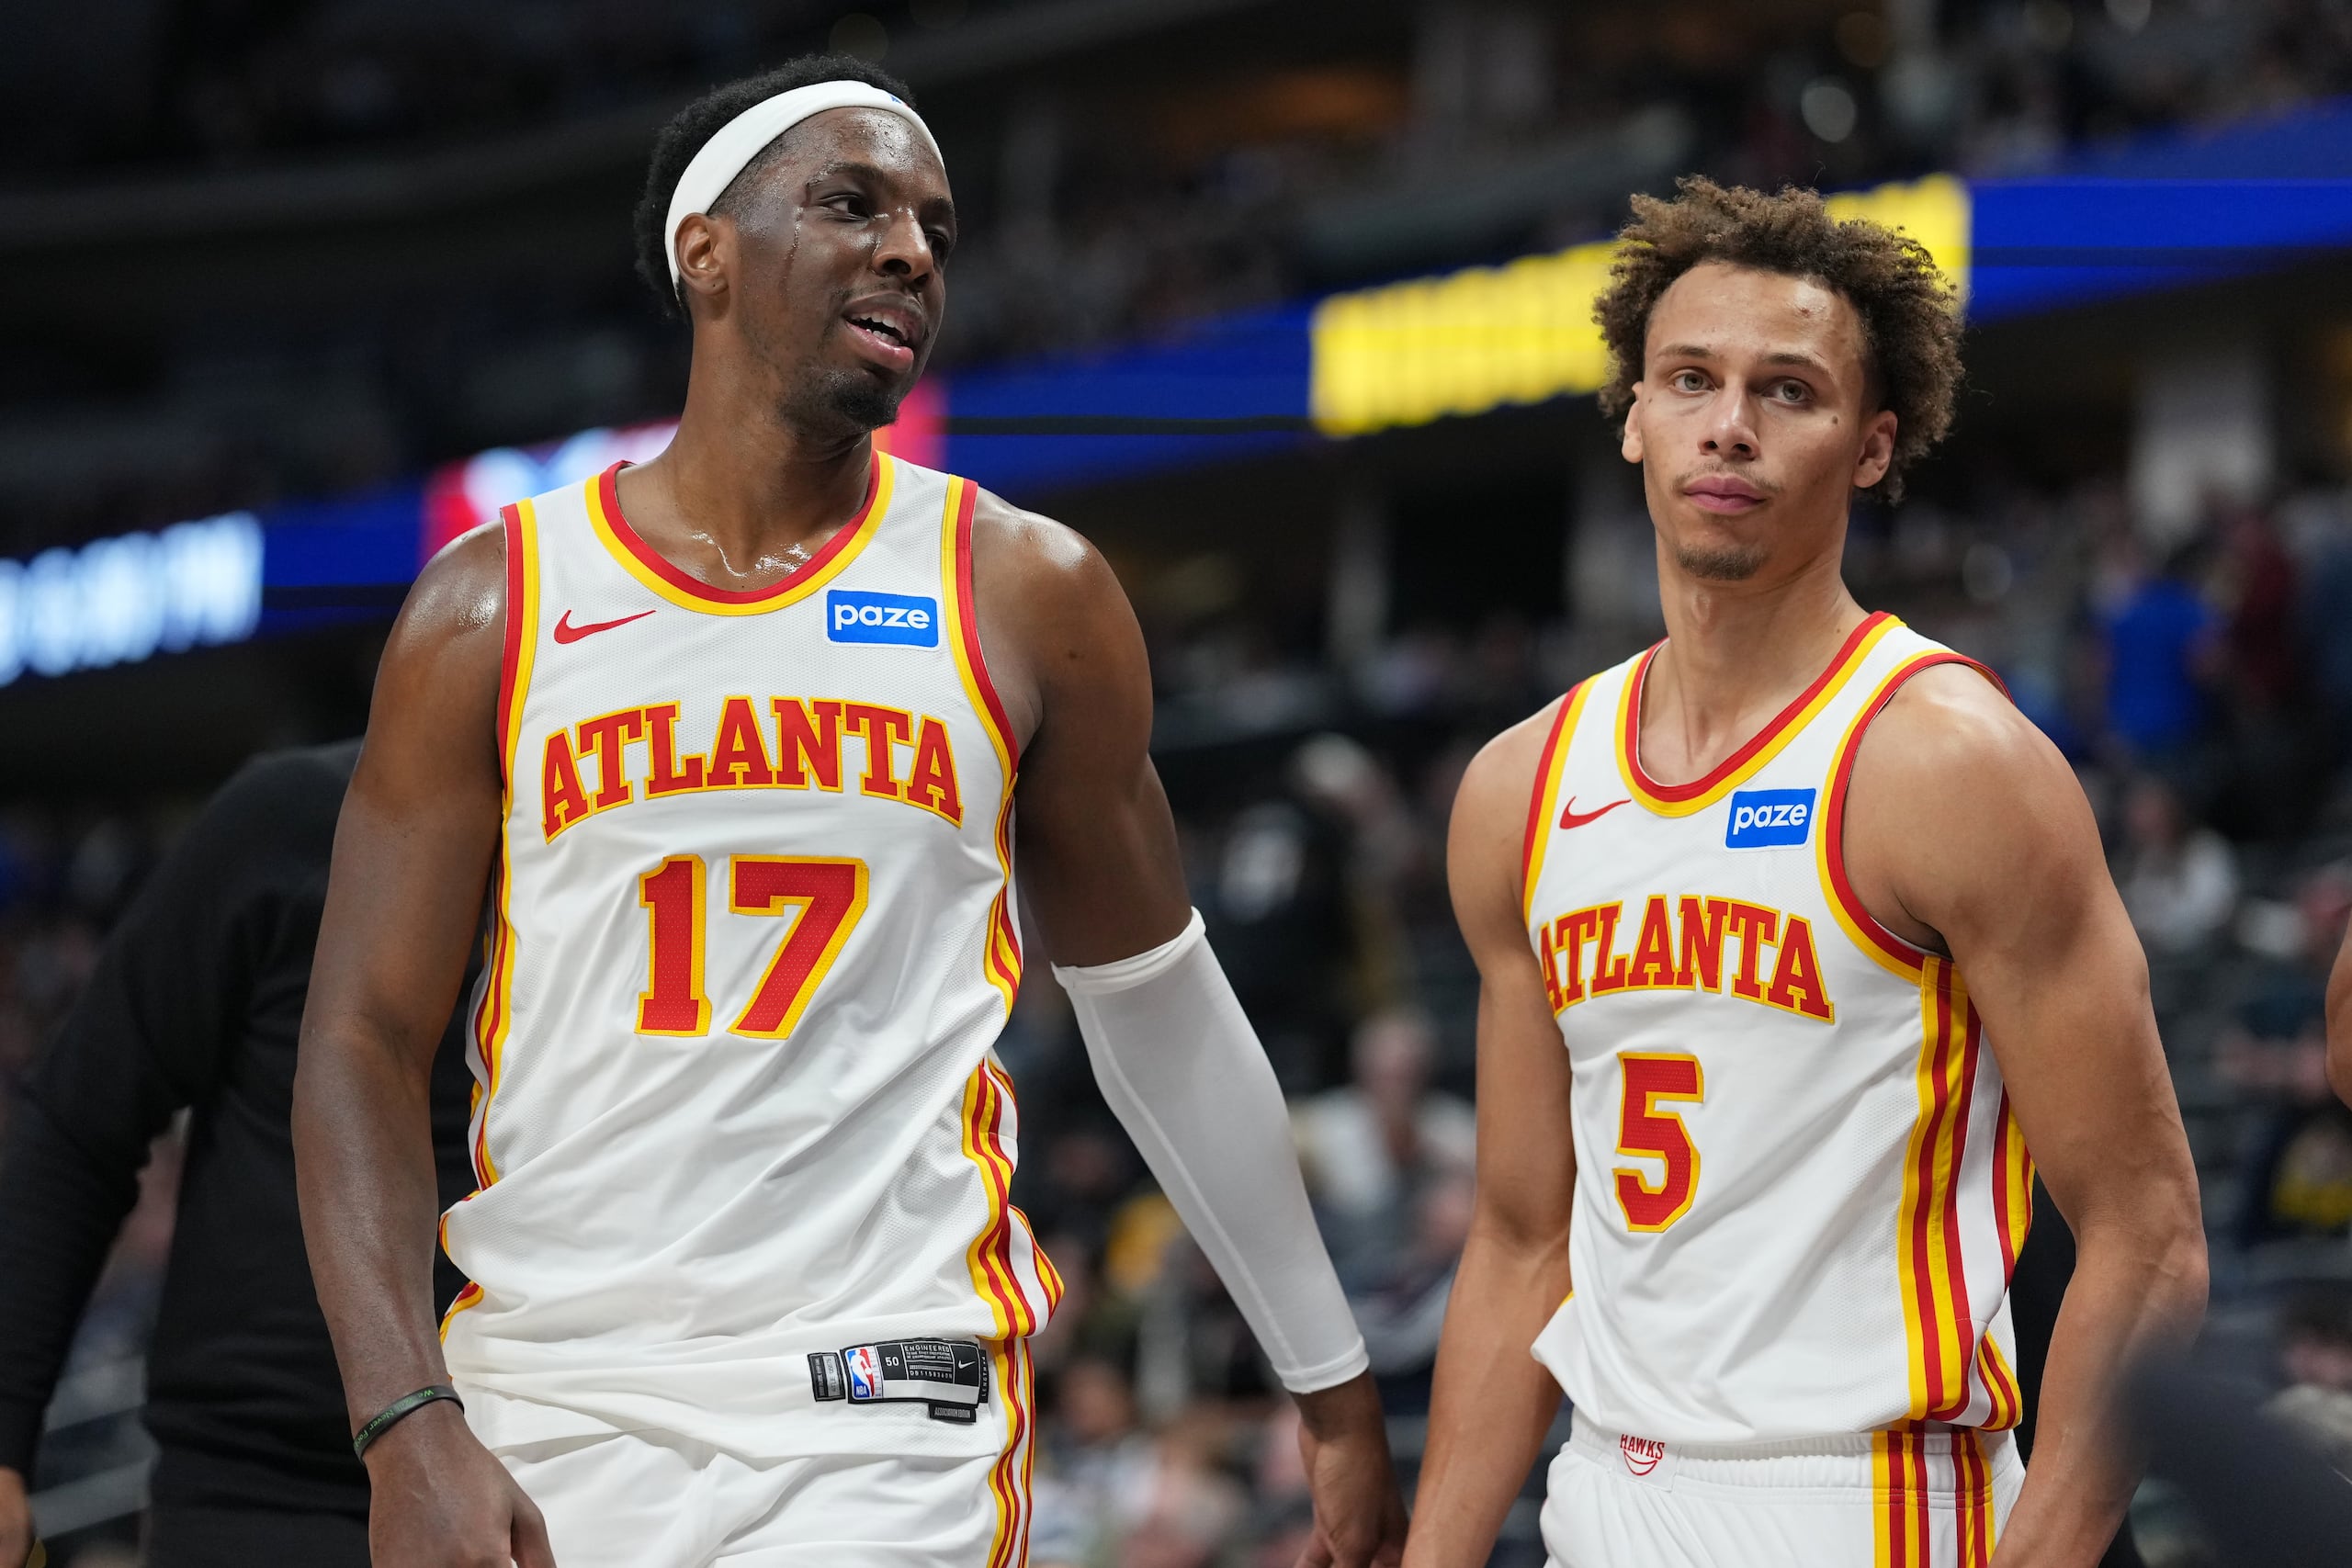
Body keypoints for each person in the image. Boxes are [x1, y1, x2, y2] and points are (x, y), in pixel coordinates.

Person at [290, 53, 1405, 1568]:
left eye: (937, 228)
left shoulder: (1024, 591)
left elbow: (1156, 999)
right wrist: (402, 1413)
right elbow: (358, 1036)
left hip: (888, 1397)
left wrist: (1327, 1372)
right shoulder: (495, 605)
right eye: (853, 204)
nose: (911, 251)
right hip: (548, 1400)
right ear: (708, 255)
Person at [1404, 179, 2207, 1568]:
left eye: (1788, 390)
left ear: (1875, 443)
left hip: (1867, 1497)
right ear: (1633, 418)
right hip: (1600, 1490)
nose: (1729, 422)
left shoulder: (1952, 764)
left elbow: (2148, 1235)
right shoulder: (1519, 787)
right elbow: (1526, 1237)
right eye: (1690, 379)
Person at [0, 743, 476, 1568]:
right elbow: (79, 1125)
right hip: (264, 1488)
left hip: (544, 1469)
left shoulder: (633, 866)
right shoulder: (287, 819)